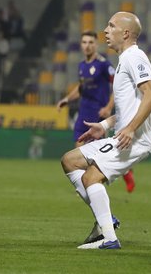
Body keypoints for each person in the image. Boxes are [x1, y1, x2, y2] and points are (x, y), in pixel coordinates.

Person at [61, 12, 151, 250]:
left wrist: (131, 128)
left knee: (90, 177)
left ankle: (109, 237)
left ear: (125, 33)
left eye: (111, 26)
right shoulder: (124, 59)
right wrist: (103, 126)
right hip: (125, 135)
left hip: (135, 140)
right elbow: (130, 108)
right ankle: (106, 221)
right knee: (70, 160)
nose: (105, 30)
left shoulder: (134, 57)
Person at [57, 31, 135, 192]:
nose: (87, 45)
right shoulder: (81, 65)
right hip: (82, 112)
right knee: (77, 152)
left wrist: (108, 107)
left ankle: (120, 174)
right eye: (84, 42)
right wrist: (67, 99)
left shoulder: (104, 65)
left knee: (97, 156)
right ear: (81, 45)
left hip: (97, 114)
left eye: (90, 42)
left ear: (96, 44)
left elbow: (117, 87)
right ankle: (86, 187)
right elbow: (81, 88)